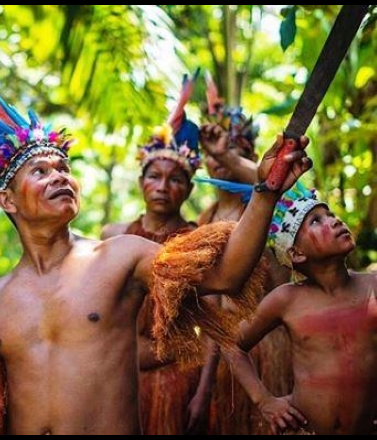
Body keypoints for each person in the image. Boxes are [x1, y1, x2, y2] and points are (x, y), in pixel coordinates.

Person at [0, 79, 311, 435]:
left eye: (64, 168)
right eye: (41, 171)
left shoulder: (119, 256)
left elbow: (226, 275)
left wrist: (266, 190)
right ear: (6, 200)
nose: (59, 176)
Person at [101, 72, 214, 435]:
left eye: (176, 179)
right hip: (125, 374)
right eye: (154, 176)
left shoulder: (198, 239)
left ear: (189, 189)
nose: (163, 187)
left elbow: (213, 322)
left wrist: (204, 390)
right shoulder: (114, 236)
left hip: (179, 374)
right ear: (140, 182)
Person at [224, 185, 377, 435]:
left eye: (330, 215)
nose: (334, 220)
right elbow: (232, 345)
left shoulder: (373, 286)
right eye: (317, 221)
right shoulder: (286, 300)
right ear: (296, 254)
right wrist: (264, 401)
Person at [198, 73, 294, 435]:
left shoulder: (272, 209)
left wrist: (228, 154)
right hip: (224, 351)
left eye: (236, 149)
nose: (221, 158)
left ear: (251, 157)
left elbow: (277, 185)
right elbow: (209, 309)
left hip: (269, 344)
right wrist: (204, 383)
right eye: (215, 153)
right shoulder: (203, 220)